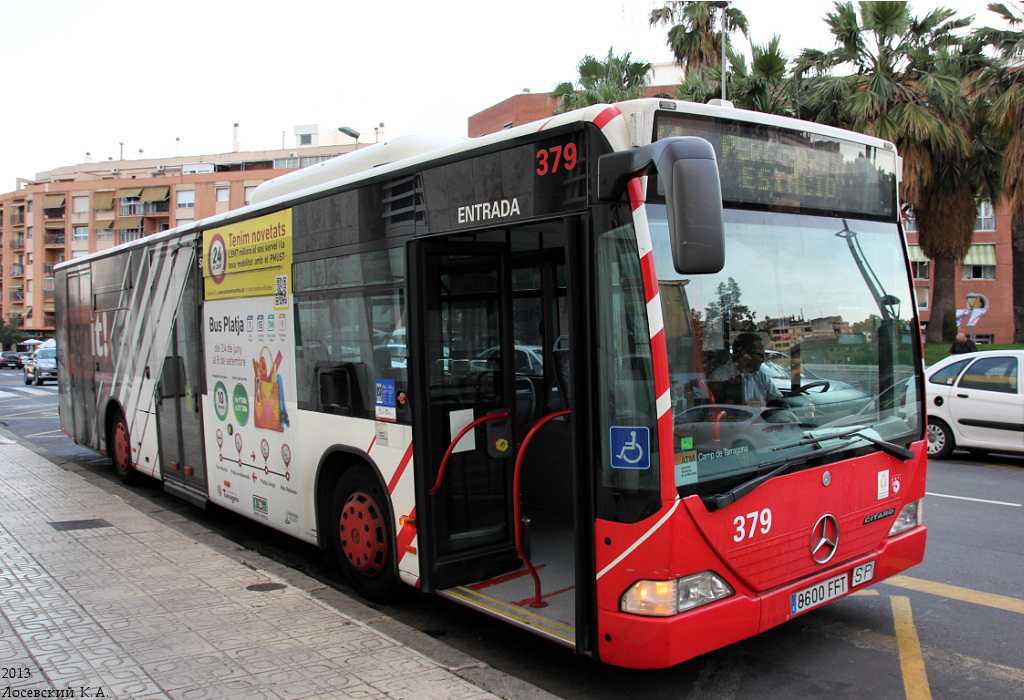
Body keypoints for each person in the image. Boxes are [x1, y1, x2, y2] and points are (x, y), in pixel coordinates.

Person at [707, 332, 784, 408]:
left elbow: (779, 400)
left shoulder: (760, 376)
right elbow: (721, 411)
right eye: (760, 355)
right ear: (746, 355)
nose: (764, 359)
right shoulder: (720, 377)